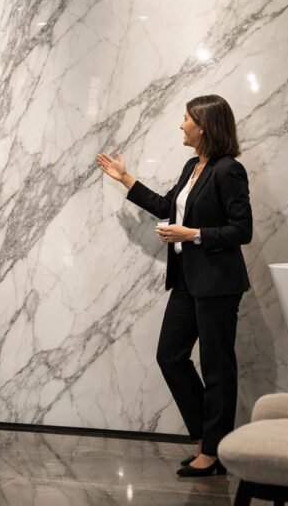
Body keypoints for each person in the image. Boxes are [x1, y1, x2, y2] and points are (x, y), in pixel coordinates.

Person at [96, 94, 252, 477]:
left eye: (185, 119)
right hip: (186, 279)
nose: (180, 125)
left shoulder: (229, 170)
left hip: (217, 283)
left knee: (217, 366)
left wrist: (193, 233)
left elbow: (241, 230)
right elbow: (168, 206)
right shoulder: (191, 166)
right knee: (170, 355)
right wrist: (125, 178)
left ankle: (213, 453)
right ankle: (206, 437)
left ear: (204, 126)